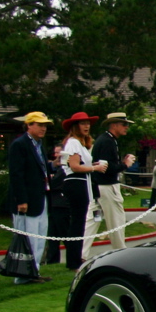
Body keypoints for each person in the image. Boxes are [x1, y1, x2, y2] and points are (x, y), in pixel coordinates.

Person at [7, 111, 53, 282]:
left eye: (45, 126)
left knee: (40, 236)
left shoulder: (39, 145)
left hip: (41, 195)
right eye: (40, 125)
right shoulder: (20, 145)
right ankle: (22, 274)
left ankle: (34, 271)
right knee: (29, 237)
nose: (43, 129)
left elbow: (39, 168)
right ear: (29, 125)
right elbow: (16, 174)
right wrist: (21, 200)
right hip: (27, 198)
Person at [60, 112, 106, 269]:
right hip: (76, 182)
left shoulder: (81, 144)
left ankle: (76, 258)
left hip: (82, 182)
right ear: (75, 126)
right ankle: (73, 260)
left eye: (88, 123)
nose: (87, 126)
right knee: (77, 222)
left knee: (80, 222)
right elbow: (74, 166)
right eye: (83, 123)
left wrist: (92, 166)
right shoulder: (73, 142)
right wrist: (94, 168)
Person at [85, 112, 136, 252]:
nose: (126, 127)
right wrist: (125, 164)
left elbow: (106, 164)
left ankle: (81, 253)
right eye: (124, 124)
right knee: (116, 221)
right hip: (107, 187)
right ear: (114, 125)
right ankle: (120, 251)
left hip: (98, 187)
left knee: (92, 221)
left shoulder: (106, 140)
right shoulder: (108, 141)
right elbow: (107, 168)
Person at [44, 145, 69, 265]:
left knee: (65, 233)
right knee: (52, 234)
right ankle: (52, 260)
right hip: (53, 204)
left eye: (60, 153)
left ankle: (73, 257)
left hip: (62, 204)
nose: (58, 155)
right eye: (56, 153)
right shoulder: (55, 169)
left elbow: (53, 184)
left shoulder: (65, 169)